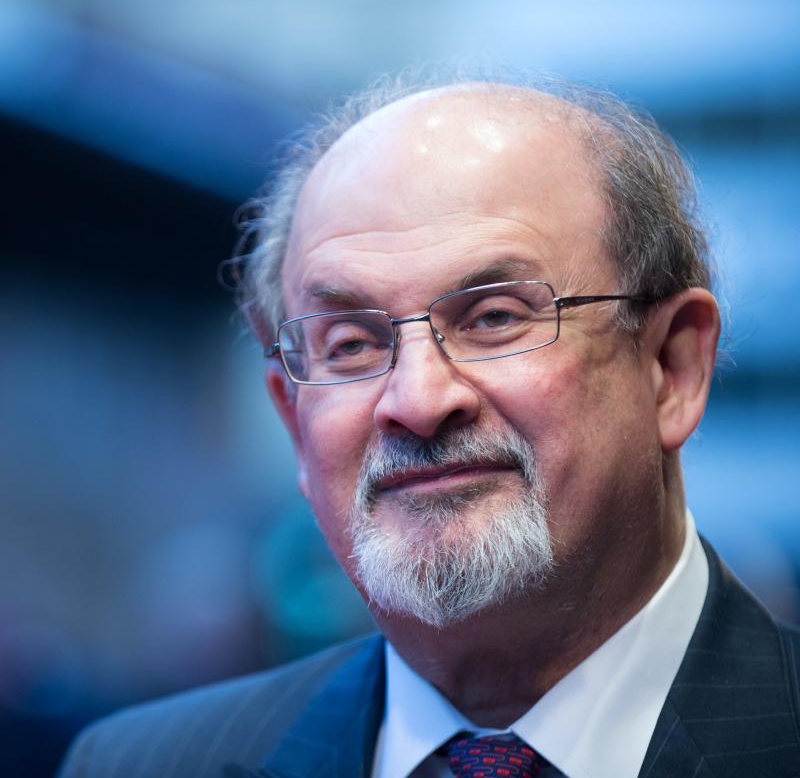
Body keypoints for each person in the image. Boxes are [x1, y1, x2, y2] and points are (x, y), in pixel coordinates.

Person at [59, 72, 800, 778]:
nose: (416, 401)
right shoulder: (137, 764)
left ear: (672, 367)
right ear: (293, 421)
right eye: (350, 345)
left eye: (495, 318)